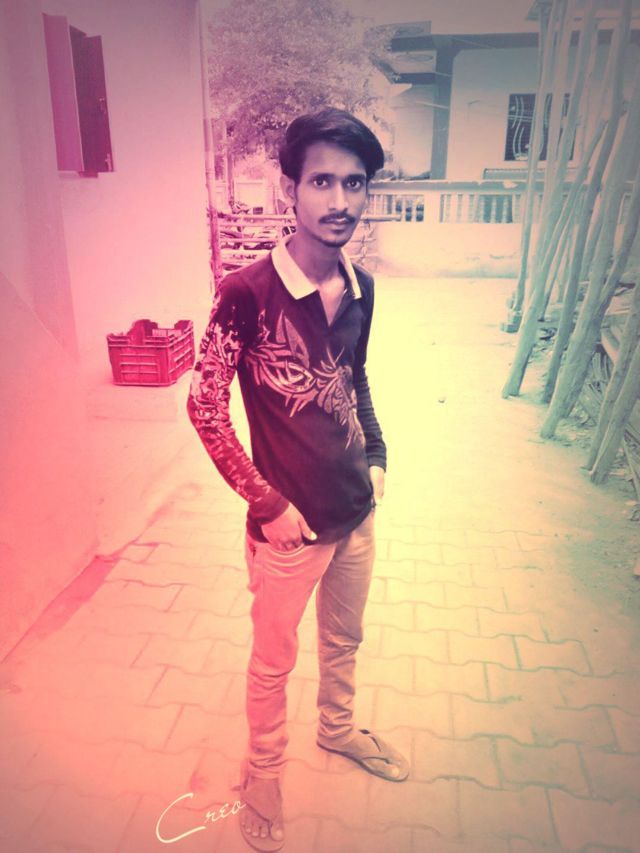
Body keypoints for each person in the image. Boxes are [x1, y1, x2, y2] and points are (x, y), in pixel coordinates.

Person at [187, 107, 409, 852]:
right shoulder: (246, 293)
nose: (339, 200)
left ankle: (338, 730)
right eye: (322, 182)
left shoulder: (362, 287)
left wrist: (377, 457)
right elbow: (204, 405)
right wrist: (266, 503)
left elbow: (355, 377)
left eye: (354, 183)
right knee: (272, 663)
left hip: (356, 512)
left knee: (344, 641)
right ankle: (263, 774)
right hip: (288, 530)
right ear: (291, 189)